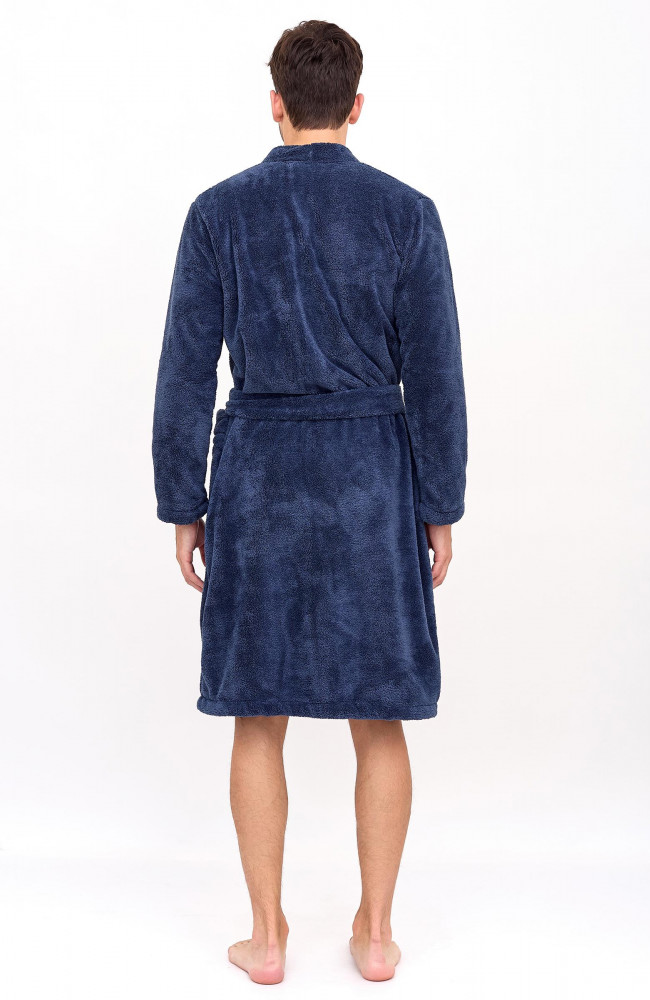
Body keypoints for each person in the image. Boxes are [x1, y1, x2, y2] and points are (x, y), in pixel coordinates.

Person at [152, 19, 467, 985]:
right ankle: (376, 934)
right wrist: (439, 504)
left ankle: (266, 936)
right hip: (372, 482)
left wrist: (183, 500)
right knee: (381, 717)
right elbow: (438, 377)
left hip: (261, 486)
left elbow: (184, 371)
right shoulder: (408, 214)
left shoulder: (218, 213)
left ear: (276, 103)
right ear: (356, 106)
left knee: (258, 715)